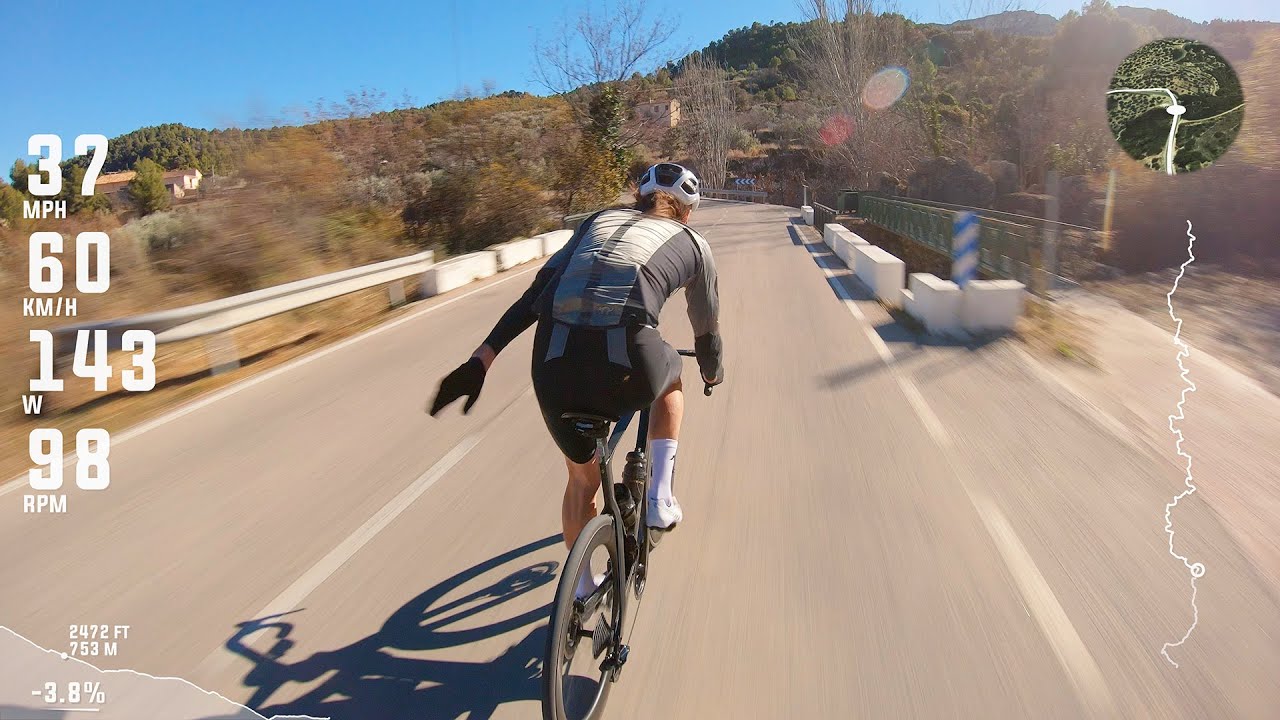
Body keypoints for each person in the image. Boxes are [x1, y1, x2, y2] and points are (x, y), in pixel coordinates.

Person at [429, 163, 723, 594]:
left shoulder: (597, 221)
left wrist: (481, 361)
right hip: (631, 360)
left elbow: (535, 297)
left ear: (637, 196)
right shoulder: (695, 244)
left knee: (581, 481)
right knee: (672, 379)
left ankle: (581, 590)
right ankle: (660, 498)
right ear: (688, 212)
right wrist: (711, 372)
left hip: (553, 362)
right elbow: (706, 328)